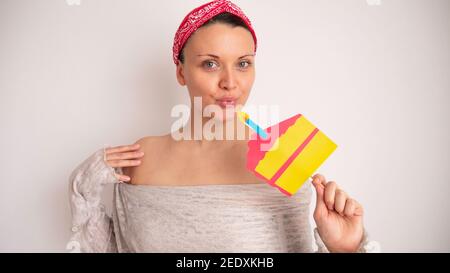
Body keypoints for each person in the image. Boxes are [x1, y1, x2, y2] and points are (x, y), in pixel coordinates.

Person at [68, 0, 380, 253]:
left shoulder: (287, 162)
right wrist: (84, 185)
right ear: (180, 71)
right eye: (210, 63)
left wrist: (345, 249)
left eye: (243, 63)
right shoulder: (142, 157)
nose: (230, 83)